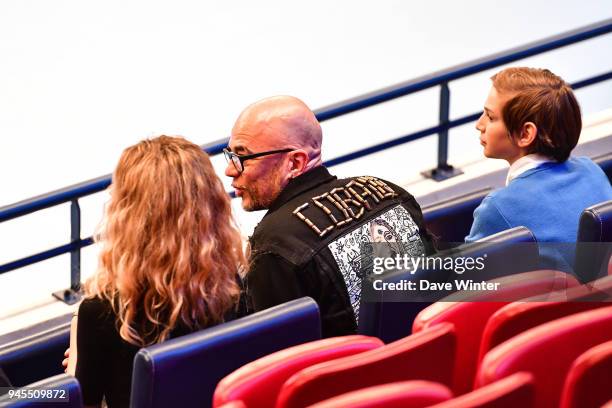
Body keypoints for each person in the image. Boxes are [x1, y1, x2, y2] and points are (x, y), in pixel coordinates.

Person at [224, 96, 434, 337]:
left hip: (363, 372)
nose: (230, 170)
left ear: (295, 162)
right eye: (229, 155)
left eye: (242, 157)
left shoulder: (274, 245)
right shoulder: (389, 192)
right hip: (427, 355)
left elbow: (282, 358)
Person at [67, 136, 247, 408]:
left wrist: (73, 376)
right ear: (210, 203)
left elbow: (83, 403)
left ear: (127, 211)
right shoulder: (230, 285)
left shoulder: (101, 312)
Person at [466, 67, 612, 269]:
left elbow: (463, 282)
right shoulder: (592, 170)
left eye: (490, 117)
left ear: (525, 134)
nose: (479, 124)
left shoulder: (497, 207)